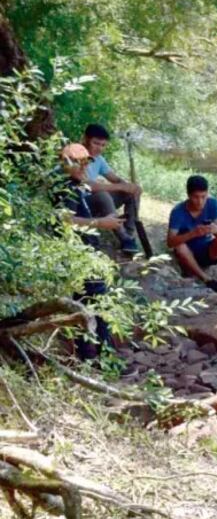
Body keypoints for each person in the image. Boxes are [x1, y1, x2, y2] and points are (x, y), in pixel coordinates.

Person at [55, 143, 122, 359]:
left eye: (86, 163)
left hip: (85, 254)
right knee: (98, 304)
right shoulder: (63, 187)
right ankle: (105, 357)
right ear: (67, 164)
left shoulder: (76, 185)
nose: (85, 168)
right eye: (80, 163)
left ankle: (88, 355)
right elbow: (66, 220)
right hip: (79, 256)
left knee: (85, 304)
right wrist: (100, 223)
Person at [166, 175, 217, 294]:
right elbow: (170, 242)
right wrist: (192, 234)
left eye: (203, 197)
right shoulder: (178, 211)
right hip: (188, 255)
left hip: (208, 252)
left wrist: (215, 230)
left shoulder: (212, 204)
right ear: (188, 195)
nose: (200, 201)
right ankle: (207, 280)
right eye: (196, 197)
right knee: (180, 247)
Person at [81, 124, 141, 255]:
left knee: (131, 192)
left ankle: (129, 234)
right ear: (85, 139)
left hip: (96, 203)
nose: (100, 148)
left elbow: (115, 179)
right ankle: (123, 237)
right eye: (96, 143)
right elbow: (88, 185)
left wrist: (128, 187)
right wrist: (119, 186)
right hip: (80, 205)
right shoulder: (76, 155)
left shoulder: (99, 159)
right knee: (102, 194)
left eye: (103, 145)